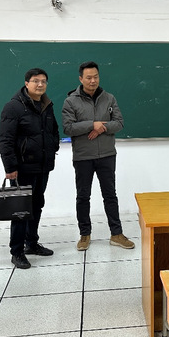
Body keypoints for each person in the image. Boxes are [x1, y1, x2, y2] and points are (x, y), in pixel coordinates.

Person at [61, 61, 135, 251]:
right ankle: (84, 234)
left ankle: (116, 234)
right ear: (81, 79)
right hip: (83, 156)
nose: (92, 81)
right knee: (83, 197)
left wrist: (101, 128)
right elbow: (68, 128)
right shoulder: (71, 101)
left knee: (110, 195)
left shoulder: (109, 98)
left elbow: (119, 123)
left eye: (95, 77)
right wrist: (91, 125)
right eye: (88, 77)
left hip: (107, 155)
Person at [0, 68, 60, 270]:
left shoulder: (47, 105)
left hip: (42, 166)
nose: (40, 84)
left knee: (37, 205)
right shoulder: (13, 107)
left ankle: (31, 243)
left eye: (44, 81)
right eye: (36, 81)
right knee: (20, 210)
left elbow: (53, 130)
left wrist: (53, 147)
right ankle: (17, 251)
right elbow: (6, 140)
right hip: (22, 168)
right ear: (26, 83)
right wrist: (10, 167)